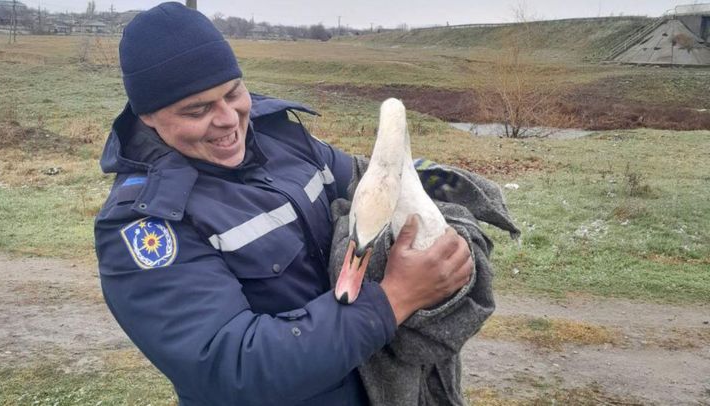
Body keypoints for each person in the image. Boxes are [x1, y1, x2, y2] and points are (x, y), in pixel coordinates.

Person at [94, 3, 474, 405]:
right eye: (197, 109)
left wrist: (443, 194)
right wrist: (395, 299)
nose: (228, 119)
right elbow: (232, 366)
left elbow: (367, 177)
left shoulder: (282, 138)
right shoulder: (145, 222)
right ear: (149, 116)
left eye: (233, 93)